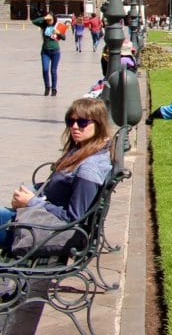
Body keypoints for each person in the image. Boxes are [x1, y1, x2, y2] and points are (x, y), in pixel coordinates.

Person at [0, 97, 114, 253]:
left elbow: (73, 218)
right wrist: (29, 193)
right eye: (70, 121)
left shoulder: (89, 168)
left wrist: (31, 201)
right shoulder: (83, 151)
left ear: (98, 124)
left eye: (82, 122)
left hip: (46, 231)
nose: (74, 127)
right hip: (38, 220)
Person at [32, 13, 64, 97]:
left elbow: (64, 38)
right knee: (45, 70)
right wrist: (44, 17)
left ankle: (54, 88)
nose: (49, 21)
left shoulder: (58, 26)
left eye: (51, 19)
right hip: (45, 52)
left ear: (54, 19)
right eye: (48, 20)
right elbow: (34, 21)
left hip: (55, 52)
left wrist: (58, 33)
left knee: (53, 71)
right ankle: (47, 87)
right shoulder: (44, 26)